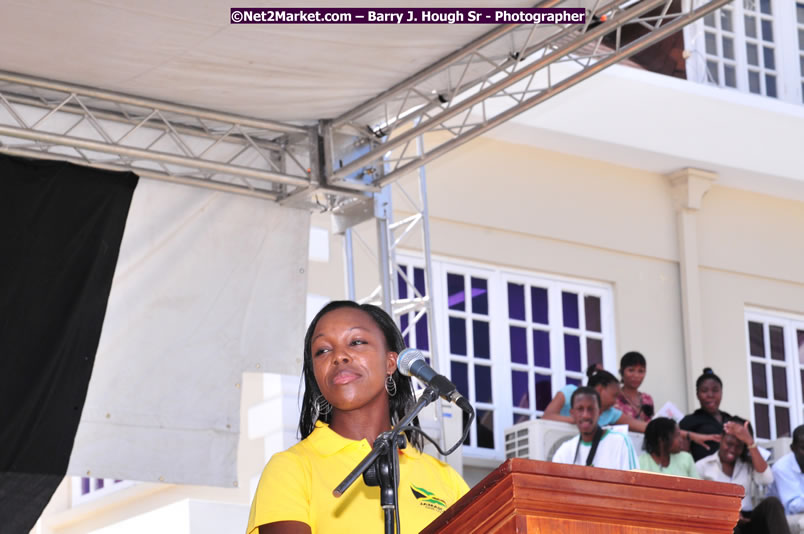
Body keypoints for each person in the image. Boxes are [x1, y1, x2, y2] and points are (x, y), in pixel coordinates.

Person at [247, 301, 470, 534]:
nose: (339, 356)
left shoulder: (446, 479)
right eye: (323, 350)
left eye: (356, 342)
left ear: (390, 362)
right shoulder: (291, 468)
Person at [543, 366, 718, 450]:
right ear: (599, 390)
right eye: (613, 396)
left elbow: (649, 427)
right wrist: (577, 421)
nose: (615, 401)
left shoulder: (610, 413)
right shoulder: (569, 392)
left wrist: (691, 435)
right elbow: (547, 417)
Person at [695, 416, 789, 534]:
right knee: (730, 524)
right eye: (729, 444)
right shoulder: (703, 466)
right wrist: (728, 512)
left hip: (748, 519)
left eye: (739, 446)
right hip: (720, 520)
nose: (732, 450)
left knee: (772, 503)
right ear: (721, 438)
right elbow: (698, 503)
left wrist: (750, 442)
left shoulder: (748, 464)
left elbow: (767, 479)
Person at [552, 386, 639, 470]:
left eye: (591, 409)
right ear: (572, 413)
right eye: (580, 409)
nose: (585, 415)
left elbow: (634, 482)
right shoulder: (564, 451)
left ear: (600, 412)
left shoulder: (620, 442)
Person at [680, 368, 732, 461]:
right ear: (697, 394)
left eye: (715, 390)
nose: (710, 395)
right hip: (701, 474)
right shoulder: (689, 421)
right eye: (704, 391)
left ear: (721, 392)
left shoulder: (730, 420)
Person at [768, 424, 804, 533]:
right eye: (803, 448)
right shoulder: (781, 468)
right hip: (781, 520)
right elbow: (792, 507)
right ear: (792, 448)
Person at [615, 351, 655, 423]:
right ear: (621, 372)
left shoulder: (647, 398)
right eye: (631, 370)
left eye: (640, 371)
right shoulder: (614, 398)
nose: (636, 375)